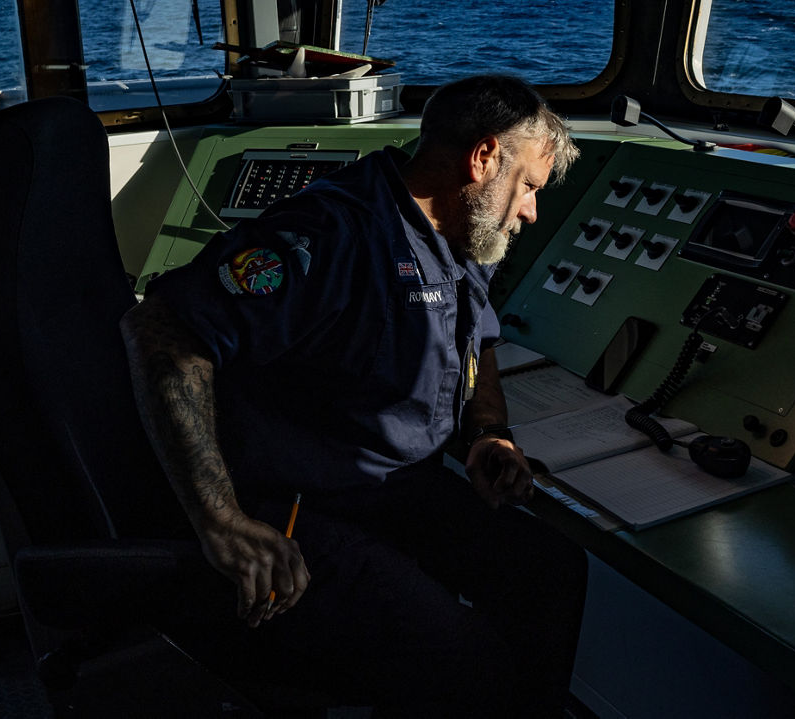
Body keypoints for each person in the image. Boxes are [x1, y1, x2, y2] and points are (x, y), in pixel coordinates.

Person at [121, 74, 586, 716]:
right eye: (530, 185)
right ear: (483, 159)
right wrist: (221, 520)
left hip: (392, 488)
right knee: (461, 657)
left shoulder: (459, 233)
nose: (532, 209)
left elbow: (479, 338)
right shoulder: (332, 233)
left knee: (550, 570)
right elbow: (161, 327)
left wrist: (487, 433)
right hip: (298, 504)